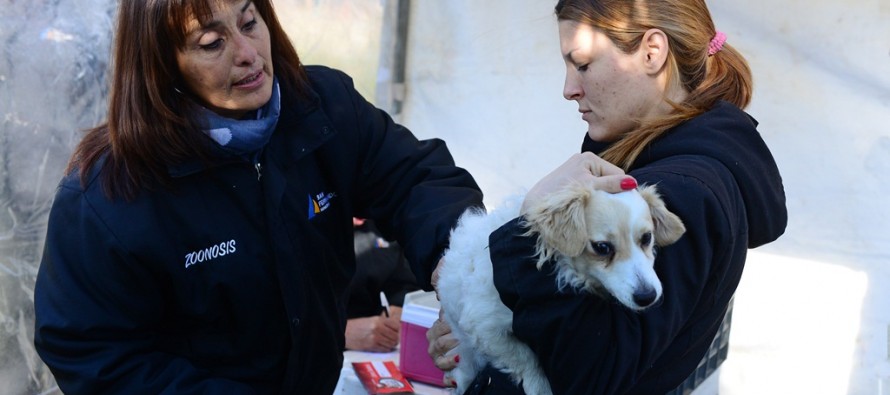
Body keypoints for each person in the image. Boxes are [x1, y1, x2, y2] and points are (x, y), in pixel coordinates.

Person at [32, 0, 483, 394]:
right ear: (161, 64)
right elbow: (93, 353)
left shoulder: (323, 107)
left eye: (249, 23)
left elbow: (414, 179)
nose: (247, 54)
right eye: (212, 43)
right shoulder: (108, 192)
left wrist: (459, 272)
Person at [426, 0, 787, 394]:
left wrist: (530, 226)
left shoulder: (678, 192)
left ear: (652, 52)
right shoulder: (658, 169)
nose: (569, 89)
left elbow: (591, 373)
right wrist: (483, 328)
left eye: (582, 64)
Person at [344, 218, 421, 352]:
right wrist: (343, 332)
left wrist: (399, 307)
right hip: (325, 350)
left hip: (384, 348)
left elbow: (405, 281)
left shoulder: (384, 224)